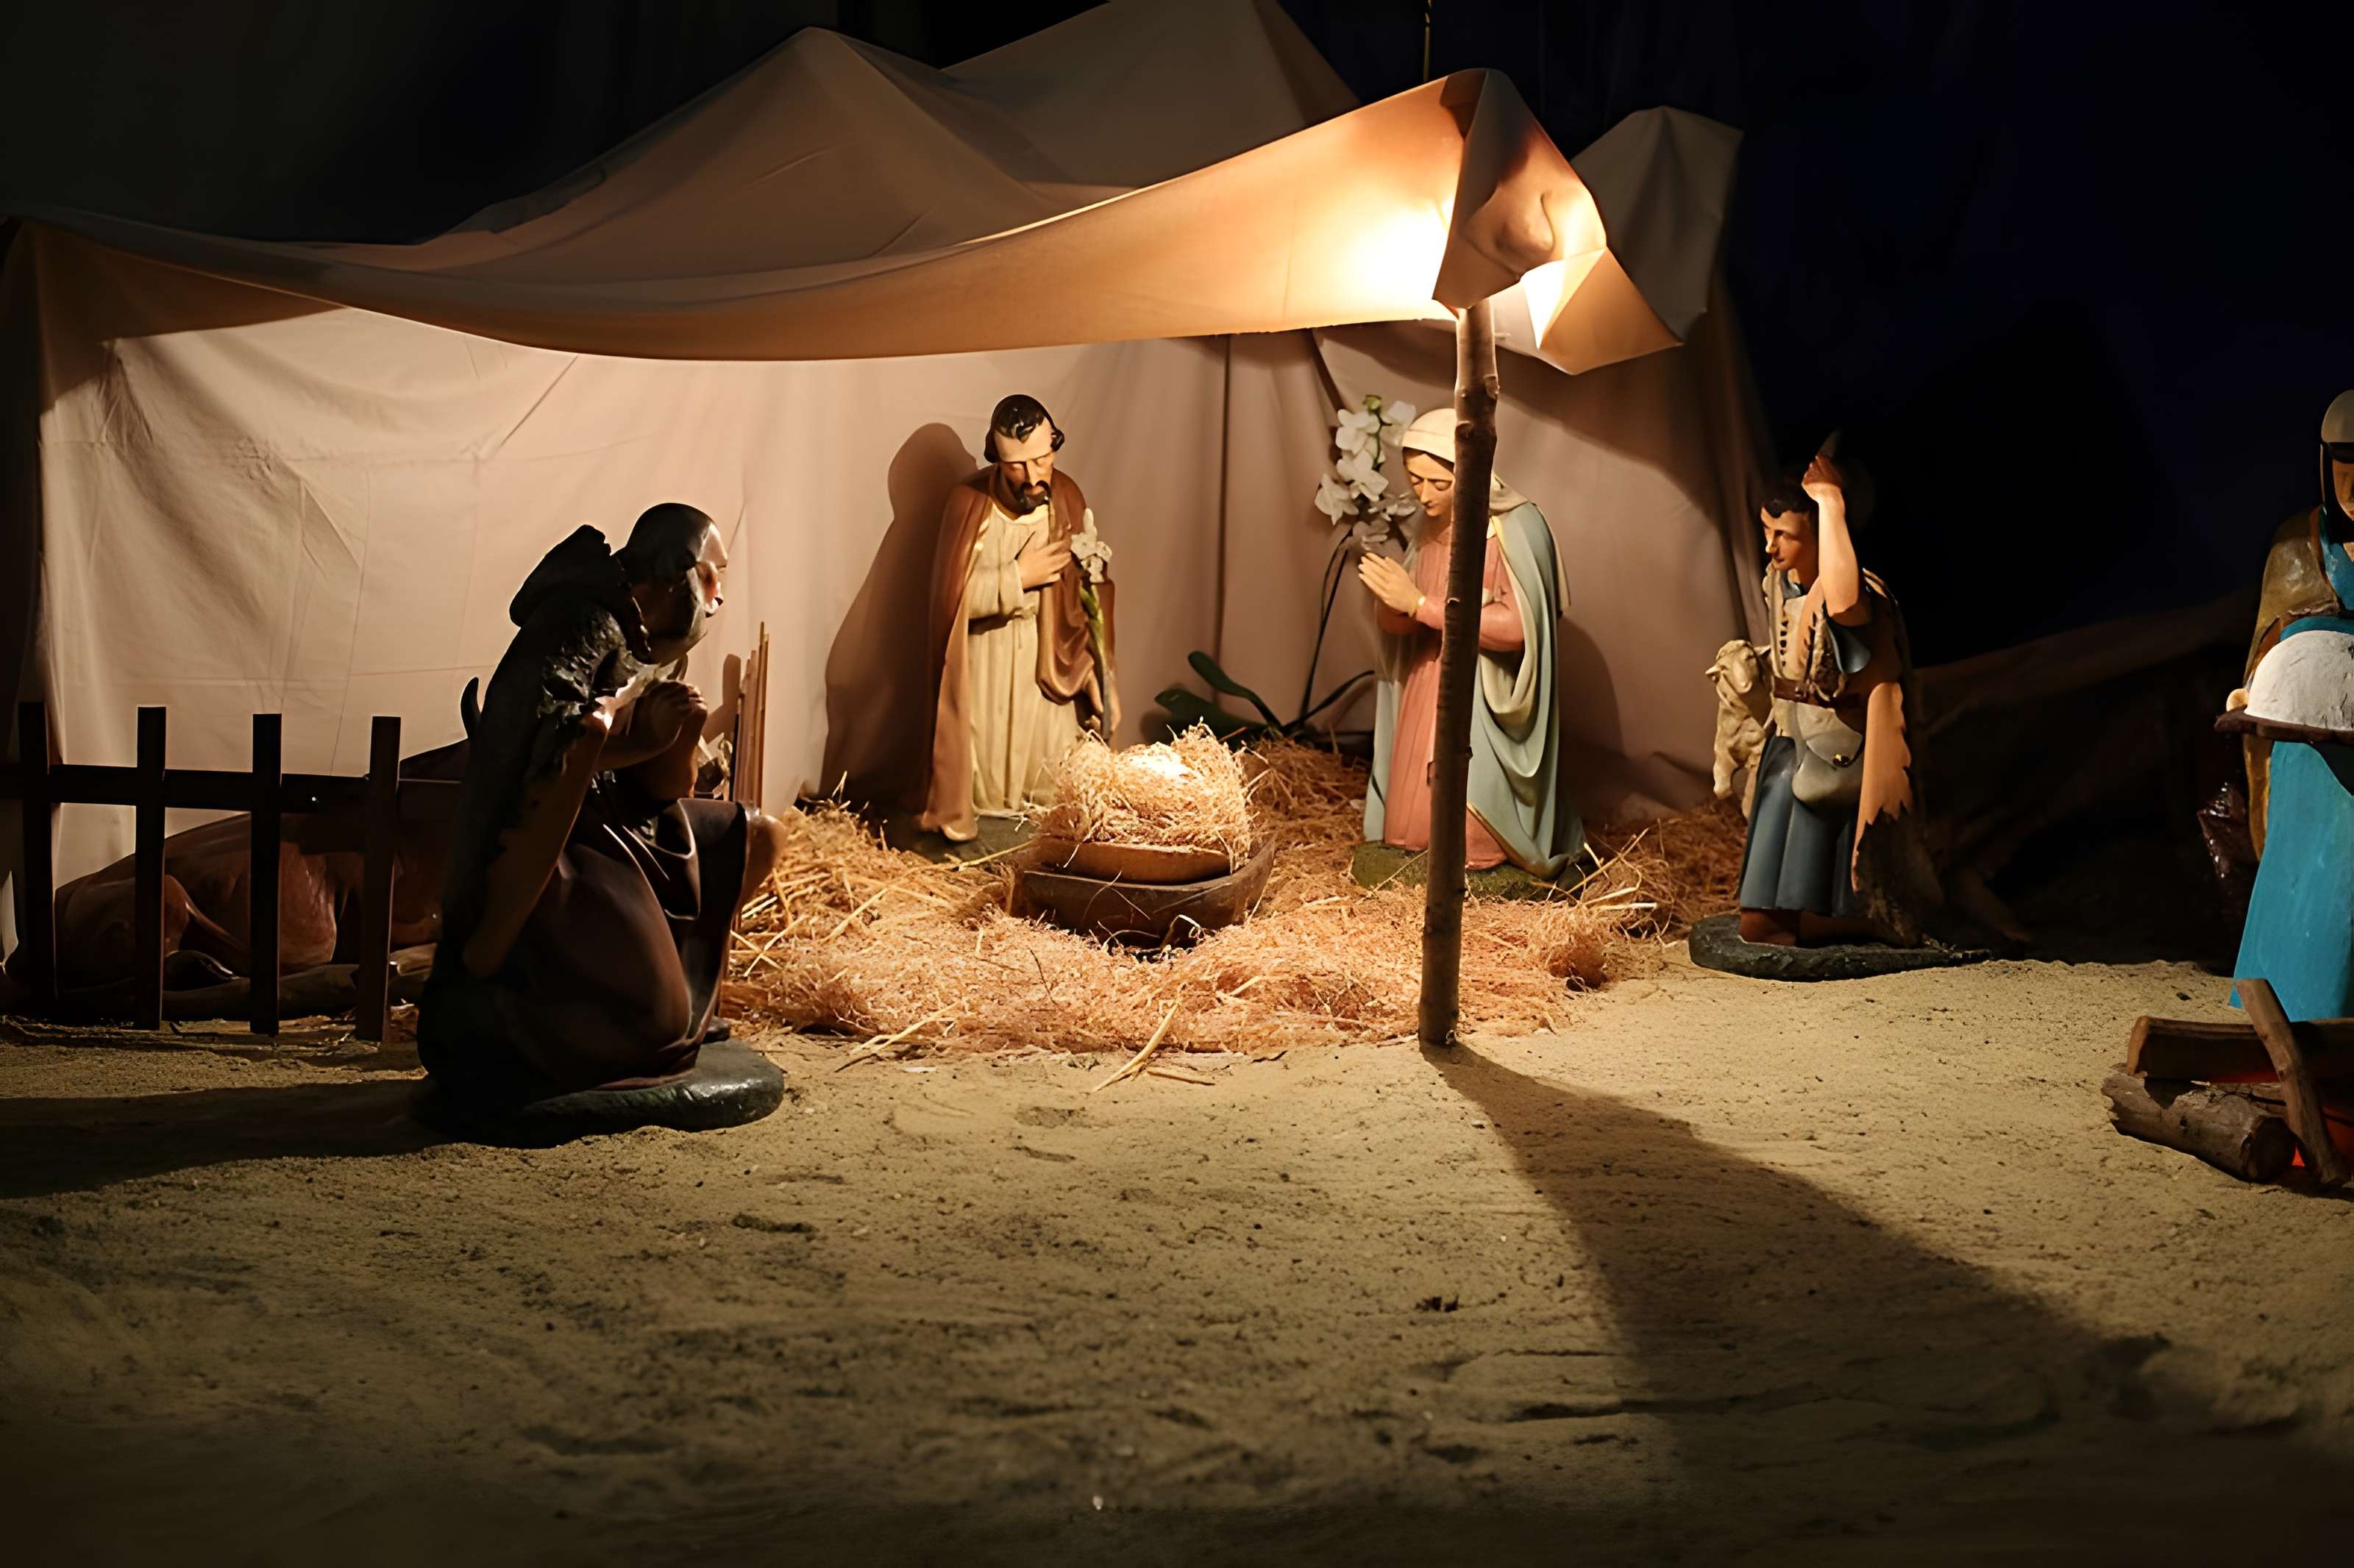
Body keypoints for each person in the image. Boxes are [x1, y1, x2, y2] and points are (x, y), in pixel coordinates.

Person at [418, 503, 785, 1105]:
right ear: (675, 575)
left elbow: (664, 789)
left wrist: (678, 735)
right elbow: (547, 751)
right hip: (554, 844)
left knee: (755, 835)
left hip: (616, 816)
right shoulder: (582, 623)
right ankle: (563, 1018)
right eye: (713, 578)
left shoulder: (640, 639)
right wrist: (630, 735)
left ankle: (659, 983)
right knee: (661, 1019)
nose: (718, 599)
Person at [1356, 407, 1579, 877]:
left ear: (1471, 473)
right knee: (1411, 825)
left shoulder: (1513, 527)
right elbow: (1409, 622)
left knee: (1465, 812)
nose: (1423, 495)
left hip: (1479, 692)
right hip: (1427, 678)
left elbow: (1518, 629)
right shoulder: (1431, 526)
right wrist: (1392, 604)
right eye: (1415, 480)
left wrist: (1419, 604)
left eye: (1439, 483)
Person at [1734, 454, 1930, 946]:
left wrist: (1829, 502)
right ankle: (1780, 913)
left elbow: (1843, 608)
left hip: (1838, 746)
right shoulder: (1779, 580)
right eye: (1767, 531)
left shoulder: (1851, 592)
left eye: (1784, 535)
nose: (1770, 546)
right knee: (1775, 792)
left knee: (1801, 798)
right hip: (1792, 732)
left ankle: (1835, 915)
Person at [920, 394, 1117, 841]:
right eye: (1016, 465)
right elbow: (946, 603)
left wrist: (1096, 670)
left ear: (1055, 446)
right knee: (987, 779)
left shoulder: (1067, 498)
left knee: (1045, 787)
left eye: (1042, 458)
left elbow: (1088, 595)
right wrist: (1017, 577)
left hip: (1047, 668)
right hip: (984, 665)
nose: (1032, 477)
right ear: (995, 456)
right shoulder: (968, 506)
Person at [2230, 391, 2354, 1019]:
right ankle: (2275, 1001)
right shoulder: (2298, 547)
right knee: (2298, 873)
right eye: (2346, 460)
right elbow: (2266, 638)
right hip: (2305, 747)